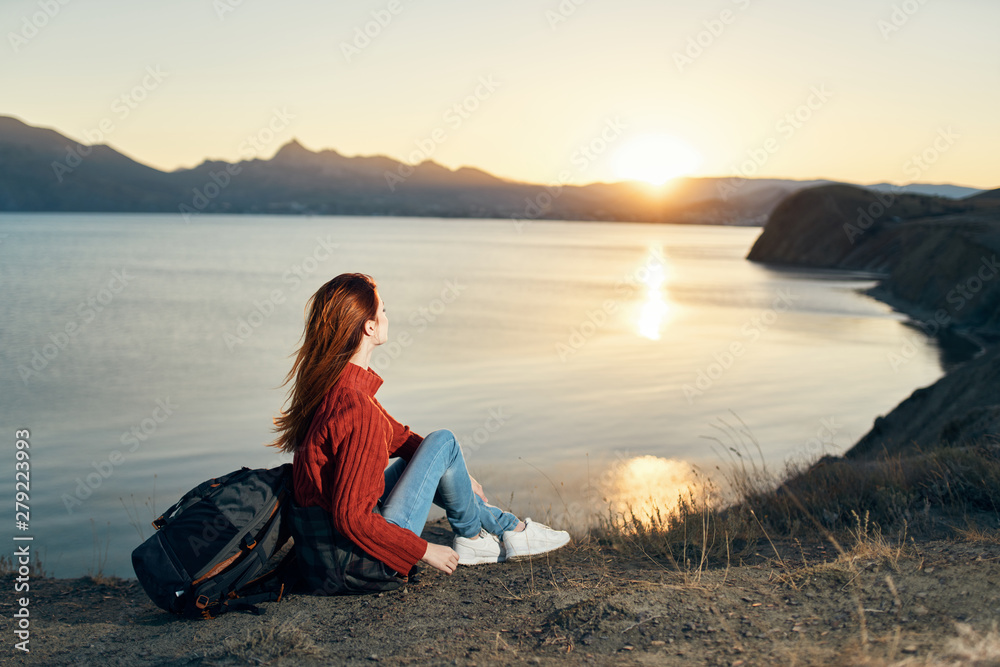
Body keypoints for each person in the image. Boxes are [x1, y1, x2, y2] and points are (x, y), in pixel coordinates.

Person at [270, 273, 569, 592]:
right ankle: (473, 537)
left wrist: (457, 475)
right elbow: (351, 518)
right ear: (369, 327)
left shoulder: (336, 389)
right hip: (358, 564)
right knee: (445, 441)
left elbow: (400, 438)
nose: (387, 316)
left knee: (434, 449)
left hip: (322, 555)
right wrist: (424, 549)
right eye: (383, 310)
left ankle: (507, 528)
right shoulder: (356, 408)